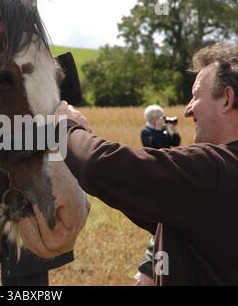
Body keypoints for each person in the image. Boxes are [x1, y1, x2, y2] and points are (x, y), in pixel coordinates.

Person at [55, 42, 238, 285]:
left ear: (226, 99)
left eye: (195, 96)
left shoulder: (213, 170)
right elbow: (142, 193)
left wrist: (65, 128)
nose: (187, 110)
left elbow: (100, 167)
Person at [135, 105, 181, 285]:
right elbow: (151, 146)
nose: (164, 119)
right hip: (154, 171)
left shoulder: (162, 130)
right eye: (161, 117)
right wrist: (157, 129)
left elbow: (175, 143)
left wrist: (173, 129)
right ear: (154, 118)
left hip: (168, 170)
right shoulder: (146, 131)